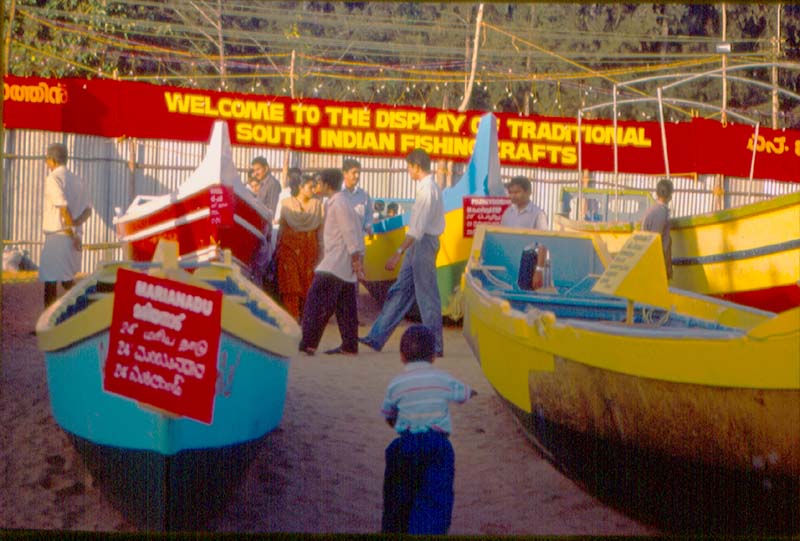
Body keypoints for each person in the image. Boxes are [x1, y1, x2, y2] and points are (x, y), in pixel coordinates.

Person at [380, 325, 477, 534]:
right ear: (433, 356)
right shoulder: (442, 379)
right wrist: (472, 392)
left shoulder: (396, 383)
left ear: (402, 356)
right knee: (435, 497)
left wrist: (396, 422)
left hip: (405, 445)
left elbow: (388, 413)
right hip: (437, 445)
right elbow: (463, 393)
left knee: (399, 496)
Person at [360, 149, 445, 357]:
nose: (408, 171)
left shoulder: (427, 191)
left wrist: (398, 252)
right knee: (400, 291)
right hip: (418, 244)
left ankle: (435, 345)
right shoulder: (428, 188)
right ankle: (376, 336)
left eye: (409, 168)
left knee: (426, 296)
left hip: (422, 244)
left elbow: (417, 230)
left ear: (416, 167)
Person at [298, 168, 365, 356]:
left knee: (316, 302)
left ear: (327, 184)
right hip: (342, 262)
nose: (317, 185)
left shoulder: (339, 203)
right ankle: (349, 345)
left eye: (320, 182)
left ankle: (308, 343)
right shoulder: (339, 202)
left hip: (336, 262)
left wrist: (356, 260)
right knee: (345, 306)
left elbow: (349, 232)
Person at [39, 143, 92, 308]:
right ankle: (86, 306)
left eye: (47, 159)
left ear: (52, 160)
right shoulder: (78, 180)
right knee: (67, 280)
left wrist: (72, 231)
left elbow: (63, 209)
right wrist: (76, 227)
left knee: (50, 280)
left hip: (59, 236)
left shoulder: (53, 179)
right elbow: (88, 211)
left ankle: (49, 320)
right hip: (71, 237)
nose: (46, 162)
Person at [274, 173, 323, 320]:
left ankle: (307, 320)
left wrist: (322, 253)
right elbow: (282, 227)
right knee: (291, 286)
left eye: (314, 187)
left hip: (309, 251)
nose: (314, 190)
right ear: (301, 187)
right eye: (310, 187)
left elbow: (321, 231)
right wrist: (277, 248)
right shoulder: (286, 204)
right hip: (289, 249)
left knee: (309, 286)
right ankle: (292, 319)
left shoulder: (317, 205)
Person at [500, 175, 549, 289]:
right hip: (508, 259)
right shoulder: (508, 213)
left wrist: (539, 270)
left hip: (527, 261)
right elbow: (502, 237)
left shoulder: (538, 214)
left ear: (528, 192)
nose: (513, 196)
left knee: (523, 293)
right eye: (511, 192)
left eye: (517, 192)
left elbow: (543, 244)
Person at [641, 178, 674, 279]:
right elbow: (661, 243)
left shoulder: (651, 210)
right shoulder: (662, 212)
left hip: (647, 259)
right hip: (656, 262)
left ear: (656, 193)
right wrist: (668, 268)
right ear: (670, 195)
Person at [341, 158, 374, 236]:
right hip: (340, 240)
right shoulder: (336, 194)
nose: (357, 176)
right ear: (345, 173)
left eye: (359, 173)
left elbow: (369, 215)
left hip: (359, 239)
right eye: (354, 173)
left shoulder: (364, 195)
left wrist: (368, 227)